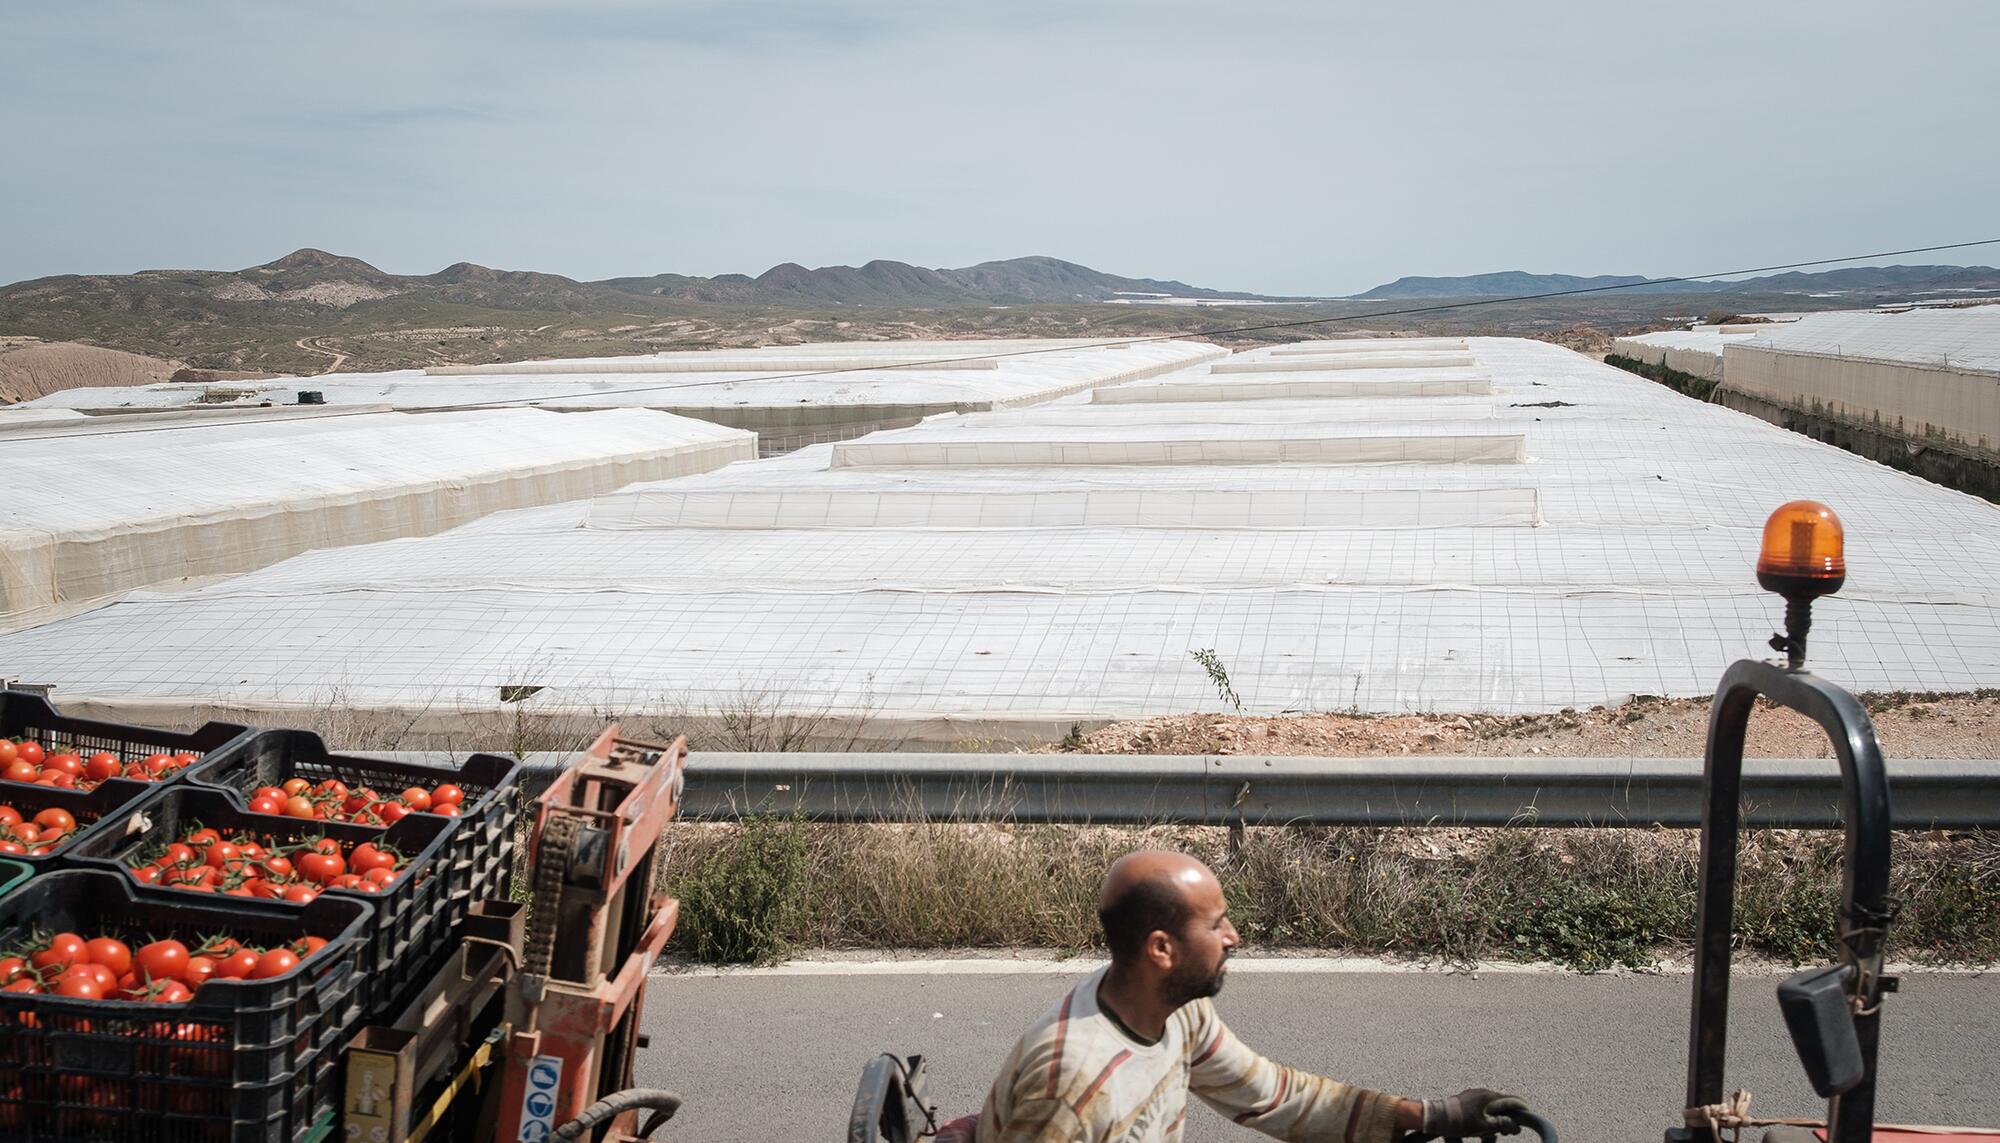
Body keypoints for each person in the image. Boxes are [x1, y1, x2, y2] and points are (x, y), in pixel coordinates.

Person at [943, 850, 1525, 1143]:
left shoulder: (1179, 1012)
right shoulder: (1070, 1090)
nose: (1233, 937)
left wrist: (1434, 1115)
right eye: (1216, 925)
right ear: (1161, 949)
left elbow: (1276, 1096)